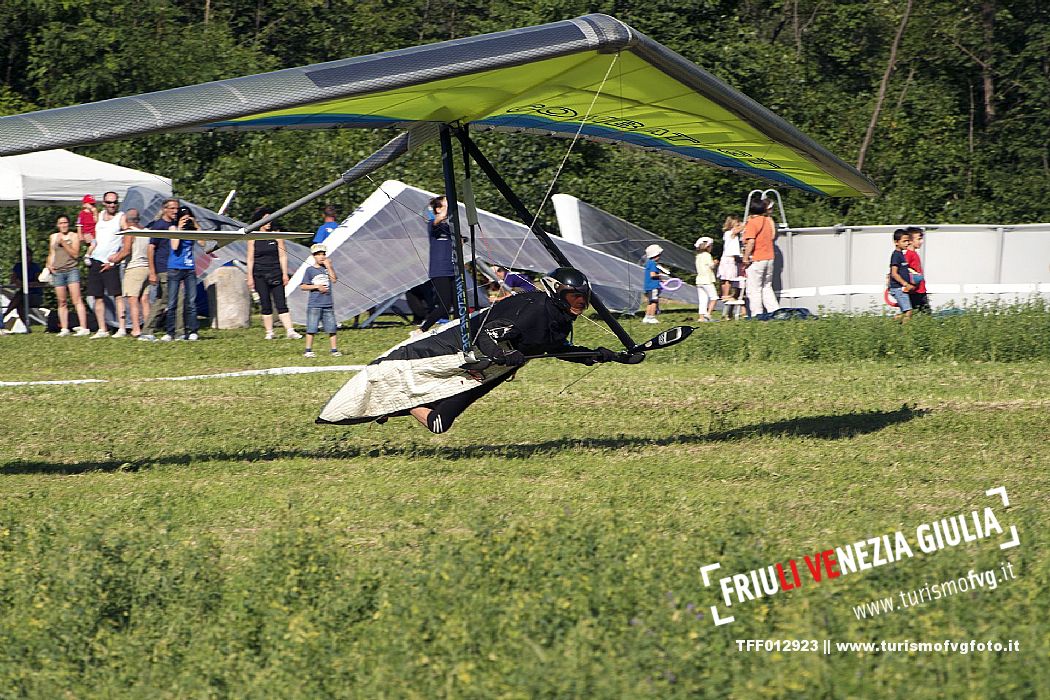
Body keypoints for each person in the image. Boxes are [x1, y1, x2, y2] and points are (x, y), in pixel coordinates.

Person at [403, 268, 636, 433]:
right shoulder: (534, 311)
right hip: (476, 361)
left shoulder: (560, 318)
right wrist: (504, 355)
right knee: (437, 422)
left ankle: (403, 405)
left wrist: (603, 355)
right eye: (574, 298)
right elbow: (485, 335)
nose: (580, 305)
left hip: (495, 372)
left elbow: (556, 349)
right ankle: (404, 403)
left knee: (439, 419)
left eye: (583, 299)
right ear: (556, 292)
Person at [246, 206, 303, 340]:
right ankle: (269, 332)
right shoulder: (252, 237)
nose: (269, 223)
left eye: (271, 220)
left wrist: (284, 274)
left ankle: (290, 330)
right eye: (266, 220)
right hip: (259, 274)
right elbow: (250, 258)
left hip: (276, 272)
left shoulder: (277, 235)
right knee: (265, 303)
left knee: (281, 303)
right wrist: (249, 276)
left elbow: (283, 256)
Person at [85, 191, 126, 338]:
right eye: (109, 202)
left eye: (114, 202)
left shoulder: (121, 218)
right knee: (97, 296)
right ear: (104, 203)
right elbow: (94, 235)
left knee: (117, 295)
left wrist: (117, 258)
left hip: (111, 262)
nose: (112, 205)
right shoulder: (100, 216)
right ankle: (102, 329)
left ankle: (122, 328)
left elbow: (128, 239)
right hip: (96, 259)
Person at [162, 206, 204, 341]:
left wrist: (195, 224)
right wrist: (180, 227)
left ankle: (192, 331)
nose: (185, 220)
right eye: (183, 217)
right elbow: (174, 246)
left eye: (188, 217)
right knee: (172, 302)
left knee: (191, 302)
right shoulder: (173, 229)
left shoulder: (192, 230)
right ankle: (170, 332)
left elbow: (203, 243)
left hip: (189, 268)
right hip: (174, 268)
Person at [45, 214, 90, 336]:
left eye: (65, 223)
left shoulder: (73, 236)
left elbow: (75, 254)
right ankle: (64, 328)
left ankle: (83, 327)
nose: (63, 225)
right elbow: (51, 253)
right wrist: (49, 265)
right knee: (62, 301)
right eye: (61, 223)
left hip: (71, 270)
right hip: (58, 271)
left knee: (77, 299)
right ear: (57, 225)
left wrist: (65, 244)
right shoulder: (53, 237)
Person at [419, 195, 458, 332]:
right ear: (438, 209)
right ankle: (422, 329)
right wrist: (443, 212)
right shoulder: (433, 224)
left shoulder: (449, 228)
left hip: (453, 269)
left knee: (459, 305)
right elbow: (437, 220)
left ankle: (458, 330)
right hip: (440, 271)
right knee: (444, 306)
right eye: (446, 205)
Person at [117, 209, 153, 339]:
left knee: (132, 300)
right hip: (147, 267)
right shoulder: (147, 231)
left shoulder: (130, 232)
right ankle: (148, 328)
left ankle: (136, 329)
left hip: (134, 268)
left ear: (127, 220)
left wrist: (113, 260)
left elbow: (126, 251)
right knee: (145, 300)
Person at [300, 243, 340, 357]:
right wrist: (317, 287)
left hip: (328, 303)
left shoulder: (327, 269)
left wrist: (329, 267)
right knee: (312, 327)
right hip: (315, 304)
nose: (321, 257)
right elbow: (303, 286)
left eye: (323, 254)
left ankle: (334, 349)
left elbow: (334, 280)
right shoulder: (310, 270)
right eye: (318, 254)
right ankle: (308, 350)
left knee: (332, 327)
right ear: (313, 256)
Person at [742, 198, 780, 317]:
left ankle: (757, 314)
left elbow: (751, 242)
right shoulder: (768, 221)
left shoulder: (752, 223)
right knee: (767, 287)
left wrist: (745, 257)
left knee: (754, 289)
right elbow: (773, 236)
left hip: (757, 258)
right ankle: (774, 312)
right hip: (769, 257)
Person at [146, 199, 179, 337]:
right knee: (164, 300)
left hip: (174, 267)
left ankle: (176, 331)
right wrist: (152, 272)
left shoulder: (174, 225)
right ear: (164, 209)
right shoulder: (159, 225)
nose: (175, 211)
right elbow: (151, 248)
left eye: (176, 208)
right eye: (171, 208)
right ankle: (148, 330)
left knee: (165, 299)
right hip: (163, 268)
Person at [5, 247, 44, 331]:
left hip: (35, 295)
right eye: (24, 255)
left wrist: (26, 284)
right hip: (22, 295)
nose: (26, 257)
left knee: (19, 298)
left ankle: (5, 315)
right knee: (19, 302)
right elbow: (13, 280)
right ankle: (27, 326)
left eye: (28, 255)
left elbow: (40, 282)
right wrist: (18, 282)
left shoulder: (35, 267)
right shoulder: (18, 266)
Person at [888, 228, 915, 323]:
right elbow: (894, 273)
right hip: (898, 288)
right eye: (904, 241)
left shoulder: (901, 255)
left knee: (905, 312)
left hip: (900, 288)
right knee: (909, 311)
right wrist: (905, 284)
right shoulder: (896, 255)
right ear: (896, 242)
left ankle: (892, 323)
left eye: (908, 241)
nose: (907, 243)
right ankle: (905, 334)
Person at [718, 215, 745, 302]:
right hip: (728, 259)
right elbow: (738, 230)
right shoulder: (729, 233)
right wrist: (745, 223)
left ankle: (725, 294)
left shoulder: (730, 234)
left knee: (726, 277)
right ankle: (725, 295)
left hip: (728, 258)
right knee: (728, 278)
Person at [905, 226, 930, 313]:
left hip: (920, 290)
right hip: (916, 291)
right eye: (919, 239)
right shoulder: (909, 254)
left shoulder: (914, 254)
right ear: (910, 241)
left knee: (914, 314)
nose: (921, 241)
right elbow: (903, 268)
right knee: (925, 315)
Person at [694, 237, 717, 322]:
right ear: (708, 246)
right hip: (707, 280)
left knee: (702, 300)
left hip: (699, 280)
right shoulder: (707, 255)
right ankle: (708, 314)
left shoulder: (698, 256)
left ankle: (701, 317)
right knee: (714, 297)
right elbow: (711, 266)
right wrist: (714, 263)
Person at [642, 243, 664, 324]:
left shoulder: (648, 263)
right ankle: (652, 317)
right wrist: (660, 276)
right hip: (653, 286)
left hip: (648, 286)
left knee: (650, 302)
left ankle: (647, 317)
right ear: (656, 255)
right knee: (654, 302)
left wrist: (661, 280)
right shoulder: (653, 264)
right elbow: (653, 275)